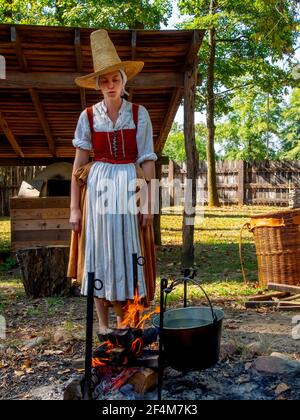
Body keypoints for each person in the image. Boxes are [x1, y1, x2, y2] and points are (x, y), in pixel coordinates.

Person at [67, 29, 157, 333]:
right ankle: (103, 326)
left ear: (123, 81)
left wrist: (149, 204)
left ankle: (126, 323)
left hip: (130, 189)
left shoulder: (139, 114)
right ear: (97, 84)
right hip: (98, 189)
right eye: (104, 81)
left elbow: (147, 160)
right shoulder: (88, 116)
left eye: (115, 79)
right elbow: (78, 165)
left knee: (128, 254)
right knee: (100, 253)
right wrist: (74, 210)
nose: (110, 86)